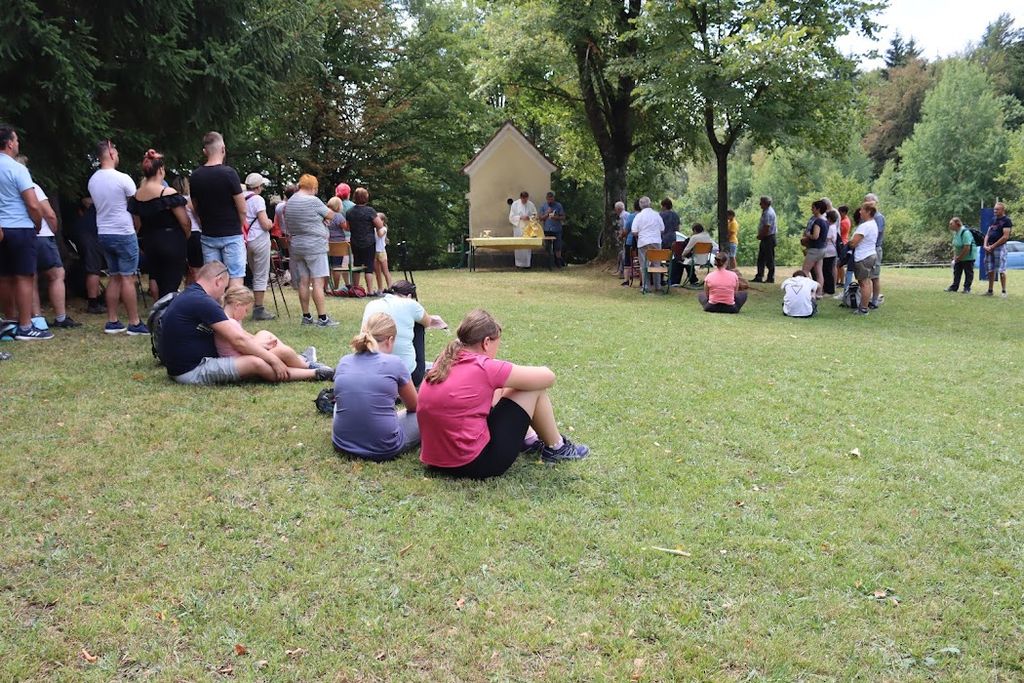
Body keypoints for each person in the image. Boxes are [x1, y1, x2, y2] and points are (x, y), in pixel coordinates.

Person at [417, 309, 589, 479]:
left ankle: (529, 440)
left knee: (503, 387)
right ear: (486, 342)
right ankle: (557, 448)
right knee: (533, 388)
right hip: (473, 464)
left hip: (436, 461)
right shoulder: (485, 367)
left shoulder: (446, 358)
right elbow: (548, 377)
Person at [160, 262, 328, 384]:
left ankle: (305, 364)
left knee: (262, 348)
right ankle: (314, 373)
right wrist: (273, 359)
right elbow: (238, 340)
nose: (223, 293)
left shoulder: (192, 295)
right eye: (224, 287)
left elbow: (237, 335)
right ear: (218, 280)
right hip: (192, 370)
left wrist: (259, 345)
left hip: (184, 365)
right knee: (257, 362)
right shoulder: (203, 301)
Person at [332, 312, 421, 462]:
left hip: (342, 443)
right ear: (390, 340)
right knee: (428, 414)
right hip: (384, 446)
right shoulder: (395, 363)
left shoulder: (344, 361)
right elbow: (415, 407)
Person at [88, 139, 148, 335]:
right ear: (112, 154)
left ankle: (112, 320)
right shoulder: (123, 179)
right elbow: (134, 207)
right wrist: (137, 227)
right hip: (123, 231)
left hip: (104, 232)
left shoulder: (93, 180)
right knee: (128, 278)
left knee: (114, 276)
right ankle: (134, 322)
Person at [15, 155, 80, 329]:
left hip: (20, 234)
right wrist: (53, 229)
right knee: (57, 274)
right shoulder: (32, 187)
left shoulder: (8, 191)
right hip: (42, 236)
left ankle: (37, 318)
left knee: (30, 277)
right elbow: (49, 213)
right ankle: (60, 317)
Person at [215, 286, 333, 380]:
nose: (245, 315)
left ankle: (301, 360)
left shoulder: (228, 319)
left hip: (243, 355)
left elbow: (244, 336)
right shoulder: (230, 323)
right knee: (283, 351)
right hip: (242, 359)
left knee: (265, 334)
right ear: (237, 305)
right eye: (246, 311)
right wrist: (261, 346)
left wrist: (261, 343)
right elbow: (242, 346)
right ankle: (307, 365)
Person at [127, 149, 190, 300]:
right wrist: (186, 237)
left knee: (154, 277)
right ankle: (166, 311)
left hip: (150, 242)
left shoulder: (137, 195)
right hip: (171, 241)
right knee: (170, 283)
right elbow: (185, 222)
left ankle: (157, 308)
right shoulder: (167, 193)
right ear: (161, 169)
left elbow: (137, 224)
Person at [362, 279, 446, 387]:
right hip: (407, 375)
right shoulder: (411, 304)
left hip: (369, 369)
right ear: (409, 296)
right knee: (419, 324)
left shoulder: (371, 304)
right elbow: (427, 322)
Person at [190, 131, 246, 288]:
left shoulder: (195, 176)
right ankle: (234, 305)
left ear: (205, 151)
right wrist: (239, 226)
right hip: (231, 234)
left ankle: (215, 305)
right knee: (235, 277)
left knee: (213, 281)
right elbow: (242, 208)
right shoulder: (229, 174)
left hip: (208, 235)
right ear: (223, 149)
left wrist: (202, 223)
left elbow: (195, 207)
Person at [287, 174, 343, 326]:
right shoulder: (312, 201)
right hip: (315, 245)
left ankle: (306, 316)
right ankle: (323, 318)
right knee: (318, 282)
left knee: (303, 282)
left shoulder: (291, 201)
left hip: (297, 245)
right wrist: (323, 219)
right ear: (313, 187)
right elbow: (331, 214)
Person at [242, 172, 275, 320]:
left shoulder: (240, 197)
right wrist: (270, 223)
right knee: (261, 273)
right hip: (259, 239)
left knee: (253, 271)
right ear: (258, 186)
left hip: (245, 239)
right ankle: (259, 308)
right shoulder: (258, 199)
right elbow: (264, 223)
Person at [345, 187, 383, 290]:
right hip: (369, 242)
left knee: (356, 265)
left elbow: (347, 228)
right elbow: (380, 225)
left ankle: (355, 289)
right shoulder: (370, 211)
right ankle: (370, 290)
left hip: (355, 242)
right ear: (366, 198)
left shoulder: (349, 212)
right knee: (369, 266)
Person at [847, 202, 879, 315]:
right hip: (870, 254)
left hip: (863, 257)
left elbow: (854, 243)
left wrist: (848, 243)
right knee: (867, 281)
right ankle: (864, 306)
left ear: (868, 212)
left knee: (864, 283)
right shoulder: (873, 224)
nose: (860, 212)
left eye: (862, 210)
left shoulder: (865, 226)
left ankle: (863, 308)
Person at [170, 176, 203, 284]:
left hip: (179, 235)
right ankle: (197, 289)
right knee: (197, 269)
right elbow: (198, 216)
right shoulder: (189, 200)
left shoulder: (173, 202)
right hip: (194, 233)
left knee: (189, 269)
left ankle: (188, 288)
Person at [631, 196, 665, 293]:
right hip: (656, 241)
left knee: (644, 265)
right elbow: (662, 229)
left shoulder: (638, 216)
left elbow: (634, 231)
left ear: (640, 205)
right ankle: (658, 286)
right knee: (656, 264)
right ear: (650, 204)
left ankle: (646, 286)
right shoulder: (657, 215)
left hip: (643, 242)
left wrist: (641, 234)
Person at [982, 202, 1012, 297]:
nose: (995, 211)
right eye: (994, 209)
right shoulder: (993, 219)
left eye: (997, 209)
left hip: (1000, 248)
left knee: (1001, 270)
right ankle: (990, 290)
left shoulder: (1007, 220)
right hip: (989, 247)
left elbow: (1005, 237)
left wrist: (993, 246)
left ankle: (1003, 291)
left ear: (1003, 210)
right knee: (990, 269)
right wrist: (985, 245)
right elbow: (988, 234)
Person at [946, 217, 978, 293]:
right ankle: (954, 287)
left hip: (968, 256)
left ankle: (967, 288)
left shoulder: (965, 233)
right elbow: (956, 245)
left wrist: (960, 257)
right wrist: (955, 256)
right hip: (958, 257)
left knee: (968, 272)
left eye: (951, 224)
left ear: (957, 224)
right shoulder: (956, 233)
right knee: (957, 271)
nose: (950, 225)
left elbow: (967, 247)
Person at [864, 192, 885, 307]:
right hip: (867, 249)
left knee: (875, 276)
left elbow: (876, 233)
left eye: (869, 201)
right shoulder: (866, 217)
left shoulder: (878, 217)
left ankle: (875, 300)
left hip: (875, 249)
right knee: (866, 276)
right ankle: (866, 299)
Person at [508, 191, 536, 269]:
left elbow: (534, 215)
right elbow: (511, 217)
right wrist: (520, 217)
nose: (524, 200)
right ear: (520, 198)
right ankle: (518, 264)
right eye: (523, 199)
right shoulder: (515, 204)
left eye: (526, 199)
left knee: (527, 245)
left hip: (528, 227)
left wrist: (529, 217)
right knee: (519, 245)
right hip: (518, 227)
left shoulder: (531, 204)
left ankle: (527, 264)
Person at [752, 196, 777, 283]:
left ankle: (770, 277)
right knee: (761, 258)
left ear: (765, 204)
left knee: (769, 258)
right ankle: (759, 276)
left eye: (761, 203)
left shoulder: (768, 213)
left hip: (768, 238)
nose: (760, 204)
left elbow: (767, 227)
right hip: (766, 238)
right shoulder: (766, 211)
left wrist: (761, 235)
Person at [539, 191, 566, 267]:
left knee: (558, 246)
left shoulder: (558, 205)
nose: (550, 201)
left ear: (554, 198)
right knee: (547, 246)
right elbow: (540, 218)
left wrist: (556, 217)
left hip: (557, 229)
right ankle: (548, 263)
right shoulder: (543, 206)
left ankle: (558, 261)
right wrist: (547, 214)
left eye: (551, 199)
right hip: (547, 229)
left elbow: (563, 217)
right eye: (548, 199)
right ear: (546, 199)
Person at [373, 212, 393, 295]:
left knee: (385, 271)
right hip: (374, 252)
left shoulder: (384, 229)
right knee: (377, 272)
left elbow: (380, 235)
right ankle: (380, 289)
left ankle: (390, 288)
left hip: (381, 252)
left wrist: (378, 227)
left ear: (382, 221)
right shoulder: (373, 229)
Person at [834, 205, 852, 295]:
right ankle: (839, 280)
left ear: (844, 213)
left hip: (842, 243)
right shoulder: (845, 219)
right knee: (839, 264)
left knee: (840, 264)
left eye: (840, 212)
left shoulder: (844, 222)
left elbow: (838, 231)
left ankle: (841, 281)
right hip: (843, 242)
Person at [822, 209, 839, 296]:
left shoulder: (831, 227)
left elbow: (827, 238)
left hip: (829, 251)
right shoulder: (834, 227)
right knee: (827, 269)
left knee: (827, 270)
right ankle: (828, 288)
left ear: (829, 218)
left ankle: (829, 289)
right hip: (831, 251)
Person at [614, 200, 631, 284]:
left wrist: (620, 236)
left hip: (628, 239)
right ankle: (620, 271)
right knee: (621, 254)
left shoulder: (623, 216)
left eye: (615, 209)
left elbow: (625, 229)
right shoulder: (627, 214)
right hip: (628, 238)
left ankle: (623, 274)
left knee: (624, 255)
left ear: (618, 209)